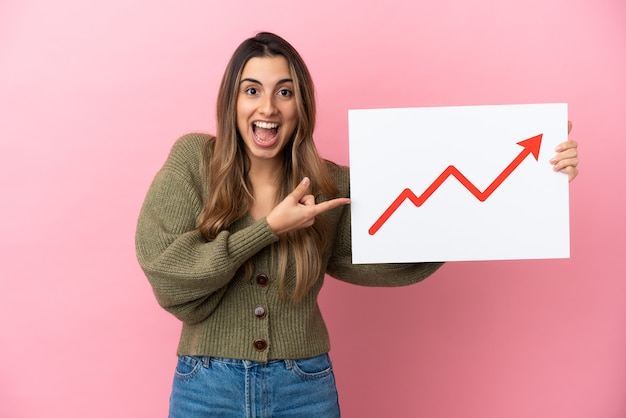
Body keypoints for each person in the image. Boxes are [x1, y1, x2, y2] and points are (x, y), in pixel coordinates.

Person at [135, 32, 579, 418]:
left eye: (284, 92)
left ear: (301, 104)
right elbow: (168, 273)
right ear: (232, 100)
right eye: (252, 90)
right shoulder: (194, 161)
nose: (267, 106)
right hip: (206, 384)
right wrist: (269, 227)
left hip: (303, 386)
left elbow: (392, 255)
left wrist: (536, 174)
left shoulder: (331, 185)